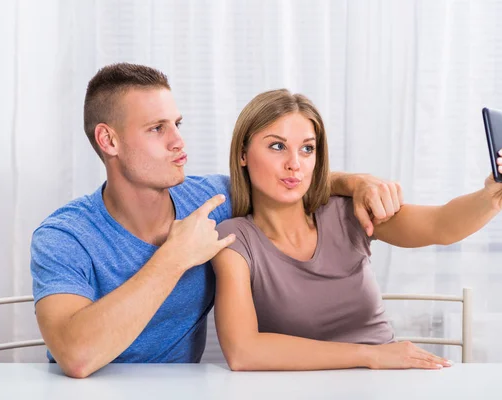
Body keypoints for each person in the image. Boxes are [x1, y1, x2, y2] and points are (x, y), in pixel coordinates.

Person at [30, 63, 403, 378]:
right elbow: (75, 355)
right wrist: (174, 258)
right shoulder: (64, 235)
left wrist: (356, 182)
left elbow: (286, 179)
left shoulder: (214, 201)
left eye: (177, 123)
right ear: (108, 141)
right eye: (157, 128)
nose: (179, 142)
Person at [213, 89, 502, 371]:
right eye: (277, 146)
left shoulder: (347, 211)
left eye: (307, 149)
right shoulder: (234, 240)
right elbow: (244, 352)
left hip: (386, 383)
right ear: (243, 153)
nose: (295, 164)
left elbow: (440, 225)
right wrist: (371, 355)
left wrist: (490, 199)